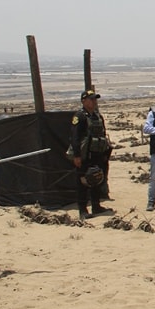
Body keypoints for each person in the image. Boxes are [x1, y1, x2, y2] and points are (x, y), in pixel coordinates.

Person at [70, 89, 112, 219]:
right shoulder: (80, 116)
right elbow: (75, 137)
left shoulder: (97, 116)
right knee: (83, 182)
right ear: (84, 101)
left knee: (97, 179)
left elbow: (103, 135)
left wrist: (105, 153)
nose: (94, 102)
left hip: (97, 154)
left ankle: (96, 206)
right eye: (91, 99)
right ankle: (82, 210)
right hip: (85, 155)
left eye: (95, 99)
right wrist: (77, 156)